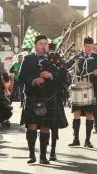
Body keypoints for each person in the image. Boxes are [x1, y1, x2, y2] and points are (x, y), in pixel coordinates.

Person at [19, 35, 68, 164]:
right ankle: (31, 155)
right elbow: (21, 77)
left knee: (46, 126)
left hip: (49, 96)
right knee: (32, 125)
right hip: (32, 96)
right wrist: (33, 81)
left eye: (45, 43)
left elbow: (64, 75)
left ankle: (43, 156)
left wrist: (51, 75)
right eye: (41, 43)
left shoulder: (55, 59)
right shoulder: (28, 59)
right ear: (35, 45)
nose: (44, 45)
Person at [66, 37, 97, 148]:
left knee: (90, 114)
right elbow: (66, 66)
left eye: (91, 47)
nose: (89, 49)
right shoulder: (78, 57)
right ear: (83, 46)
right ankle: (76, 139)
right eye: (87, 46)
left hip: (92, 89)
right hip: (78, 88)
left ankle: (88, 140)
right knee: (77, 113)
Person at [47, 42, 70, 161]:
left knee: (44, 124)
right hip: (55, 96)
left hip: (47, 95)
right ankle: (52, 151)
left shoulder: (45, 58)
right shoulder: (56, 59)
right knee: (53, 126)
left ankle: (48, 151)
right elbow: (65, 77)